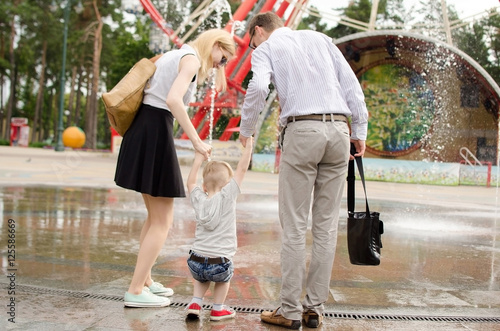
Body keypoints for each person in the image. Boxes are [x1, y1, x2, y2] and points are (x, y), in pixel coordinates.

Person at [239, 12, 369, 329]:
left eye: (251, 40)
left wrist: (247, 129)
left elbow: (257, 87)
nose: (252, 46)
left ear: (258, 31)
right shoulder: (321, 39)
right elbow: (351, 84)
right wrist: (359, 131)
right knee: (325, 225)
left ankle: (289, 310)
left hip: (302, 131)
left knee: (295, 224)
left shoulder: (265, 49)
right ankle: (314, 309)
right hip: (338, 131)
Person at [115, 29, 236, 308]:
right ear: (215, 45)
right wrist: (196, 141)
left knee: (153, 217)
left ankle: (144, 281)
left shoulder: (177, 53)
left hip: (144, 128)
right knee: (163, 221)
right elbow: (172, 99)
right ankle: (135, 290)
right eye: (223, 58)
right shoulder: (192, 59)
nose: (221, 64)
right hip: (155, 129)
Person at [184, 138, 253, 321]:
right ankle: (217, 308)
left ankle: (195, 302)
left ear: (204, 186)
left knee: (202, 276)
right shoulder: (227, 196)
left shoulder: (199, 198)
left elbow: (190, 182)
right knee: (223, 278)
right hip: (219, 263)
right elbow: (242, 169)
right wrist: (249, 148)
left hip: (195, 262)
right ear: (227, 185)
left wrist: (199, 158)